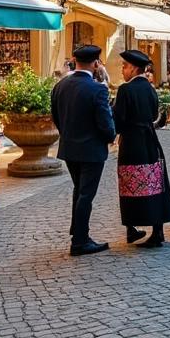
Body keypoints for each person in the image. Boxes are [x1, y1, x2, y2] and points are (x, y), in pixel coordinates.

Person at [51, 44, 116, 256]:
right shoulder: (98, 89)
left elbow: (56, 117)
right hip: (91, 150)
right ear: (96, 63)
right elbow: (105, 123)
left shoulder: (60, 86)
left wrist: (67, 134)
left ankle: (78, 232)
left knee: (79, 191)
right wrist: (110, 137)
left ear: (74, 60)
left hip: (69, 148)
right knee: (86, 194)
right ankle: (80, 241)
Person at [113, 50, 170, 248]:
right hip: (150, 139)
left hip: (131, 142)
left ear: (133, 68)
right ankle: (158, 229)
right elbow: (155, 113)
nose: (122, 70)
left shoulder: (125, 90)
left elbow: (118, 120)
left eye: (124, 67)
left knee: (130, 183)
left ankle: (131, 227)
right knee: (154, 181)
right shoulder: (150, 88)